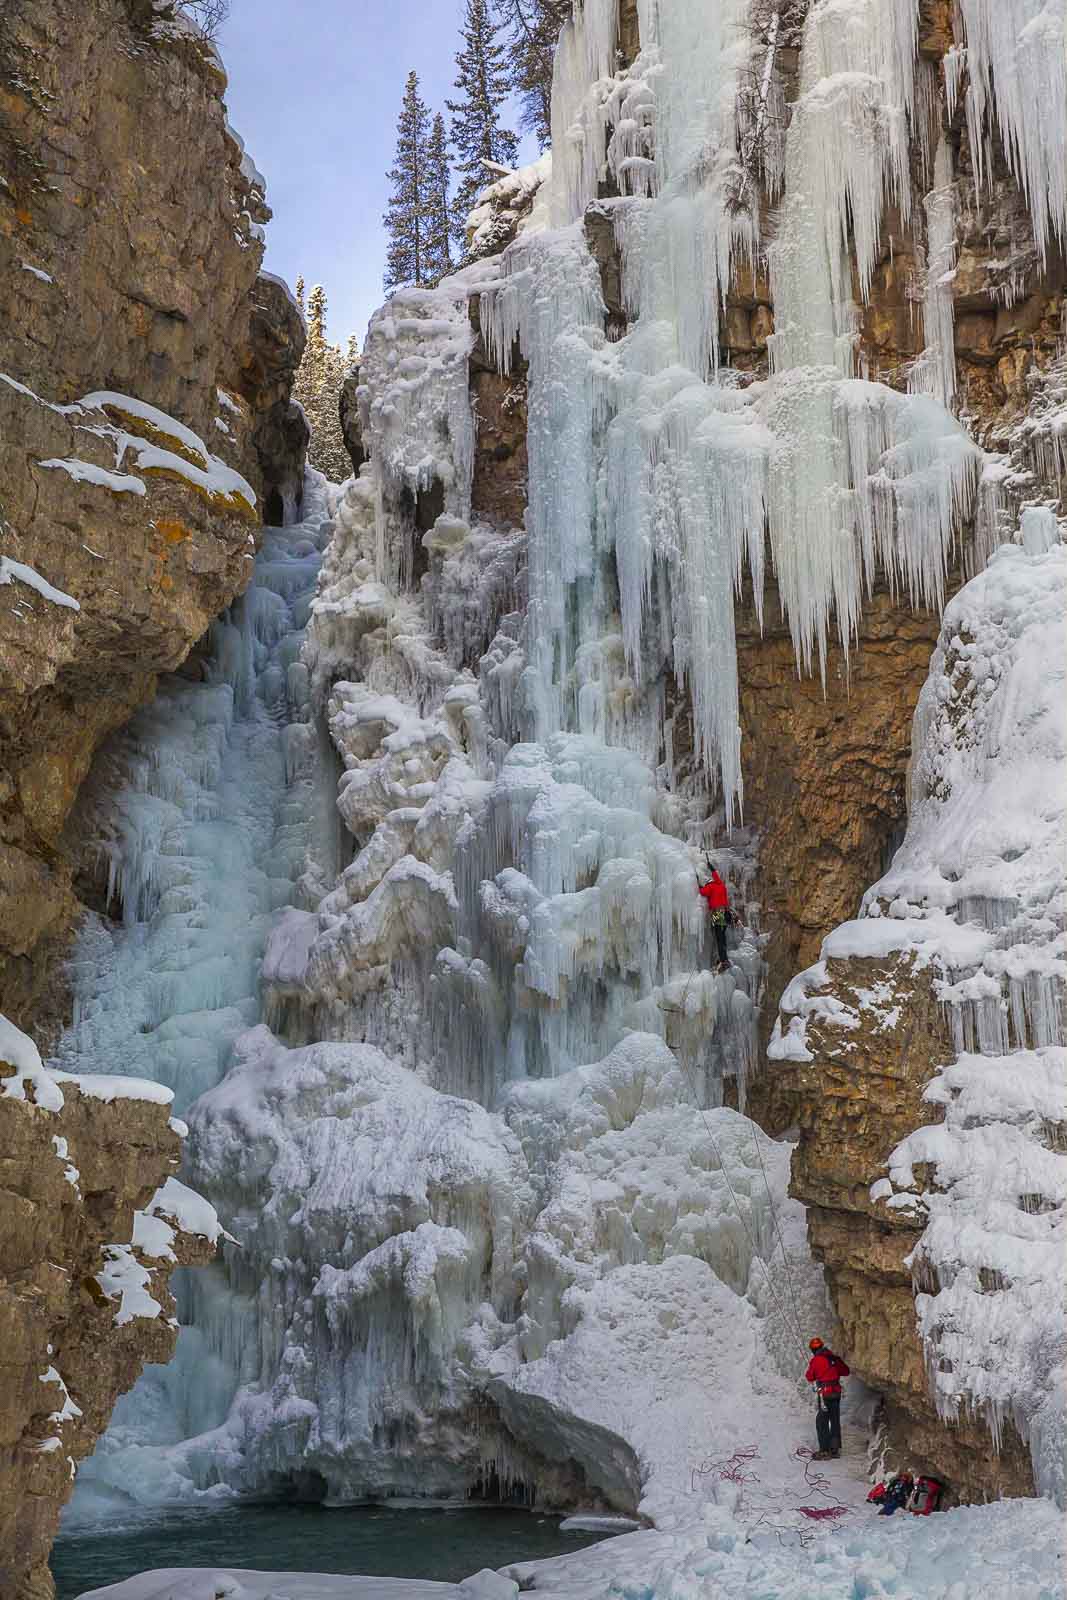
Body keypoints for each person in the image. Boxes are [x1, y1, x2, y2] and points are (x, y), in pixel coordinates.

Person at [805, 1337, 850, 1460]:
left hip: (825, 1394)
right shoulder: (833, 1358)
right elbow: (846, 1371)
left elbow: (809, 1377)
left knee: (822, 1421)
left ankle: (824, 1450)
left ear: (813, 1349)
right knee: (834, 1420)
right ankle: (835, 1450)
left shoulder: (816, 1360)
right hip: (836, 1393)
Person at [697, 866, 732, 973]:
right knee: (722, 937)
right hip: (726, 914)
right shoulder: (720, 884)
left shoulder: (710, 887)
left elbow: (703, 892)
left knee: (719, 937)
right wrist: (711, 868)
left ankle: (723, 961)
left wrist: (698, 883)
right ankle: (724, 959)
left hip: (718, 914)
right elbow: (716, 875)